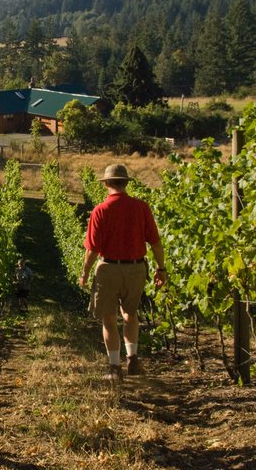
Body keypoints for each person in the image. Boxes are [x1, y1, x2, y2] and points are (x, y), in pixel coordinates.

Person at [79, 164, 166, 382]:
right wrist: (161, 268)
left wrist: (85, 273)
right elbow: (155, 243)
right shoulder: (141, 207)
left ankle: (115, 367)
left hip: (108, 268)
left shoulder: (100, 210)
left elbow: (92, 250)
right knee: (131, 314)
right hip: (136, 268)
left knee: (109, 318)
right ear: (126, 183)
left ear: (107, 184)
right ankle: (133, 359)